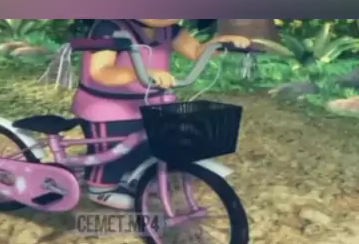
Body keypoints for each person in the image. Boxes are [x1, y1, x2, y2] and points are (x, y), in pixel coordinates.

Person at [71, 19, 250, 210]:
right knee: (113, 148)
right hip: (110, 105)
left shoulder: (169, 29)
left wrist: (218, 44)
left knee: (152, 141)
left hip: (152, 100)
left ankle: (134, 175)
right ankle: (101, 189)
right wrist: (140, 73)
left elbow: (196, 51)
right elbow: (101, 71)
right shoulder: (110, 27)